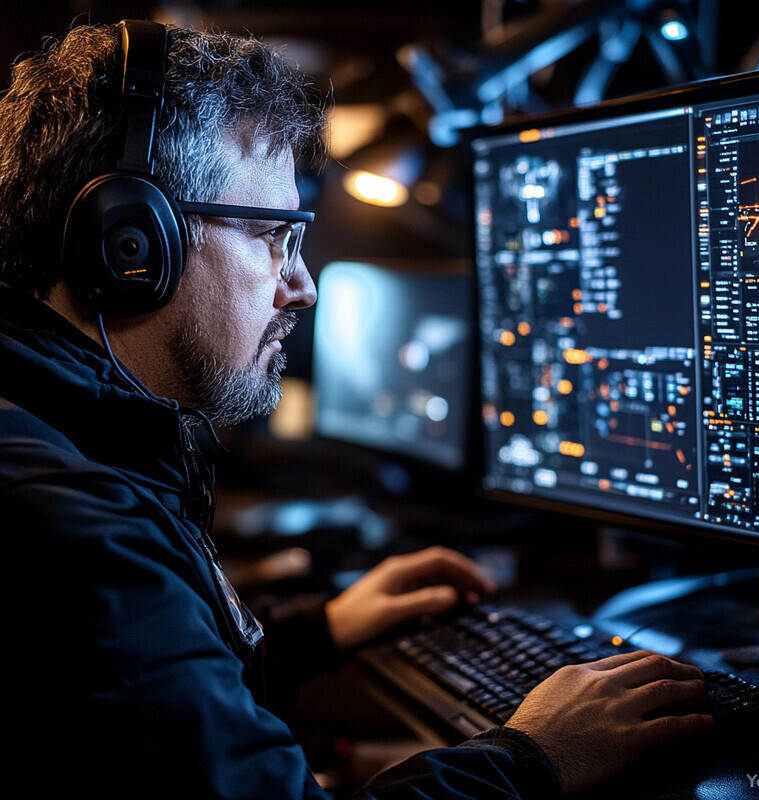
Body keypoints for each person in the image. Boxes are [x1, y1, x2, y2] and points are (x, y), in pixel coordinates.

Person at [0, 19, 713, 799]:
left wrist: (320, 630)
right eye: (276, 237)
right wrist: (536, 756)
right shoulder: (73, 528)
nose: (301, 286)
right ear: (131, 245)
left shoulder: (58, 441)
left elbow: (155, 719)